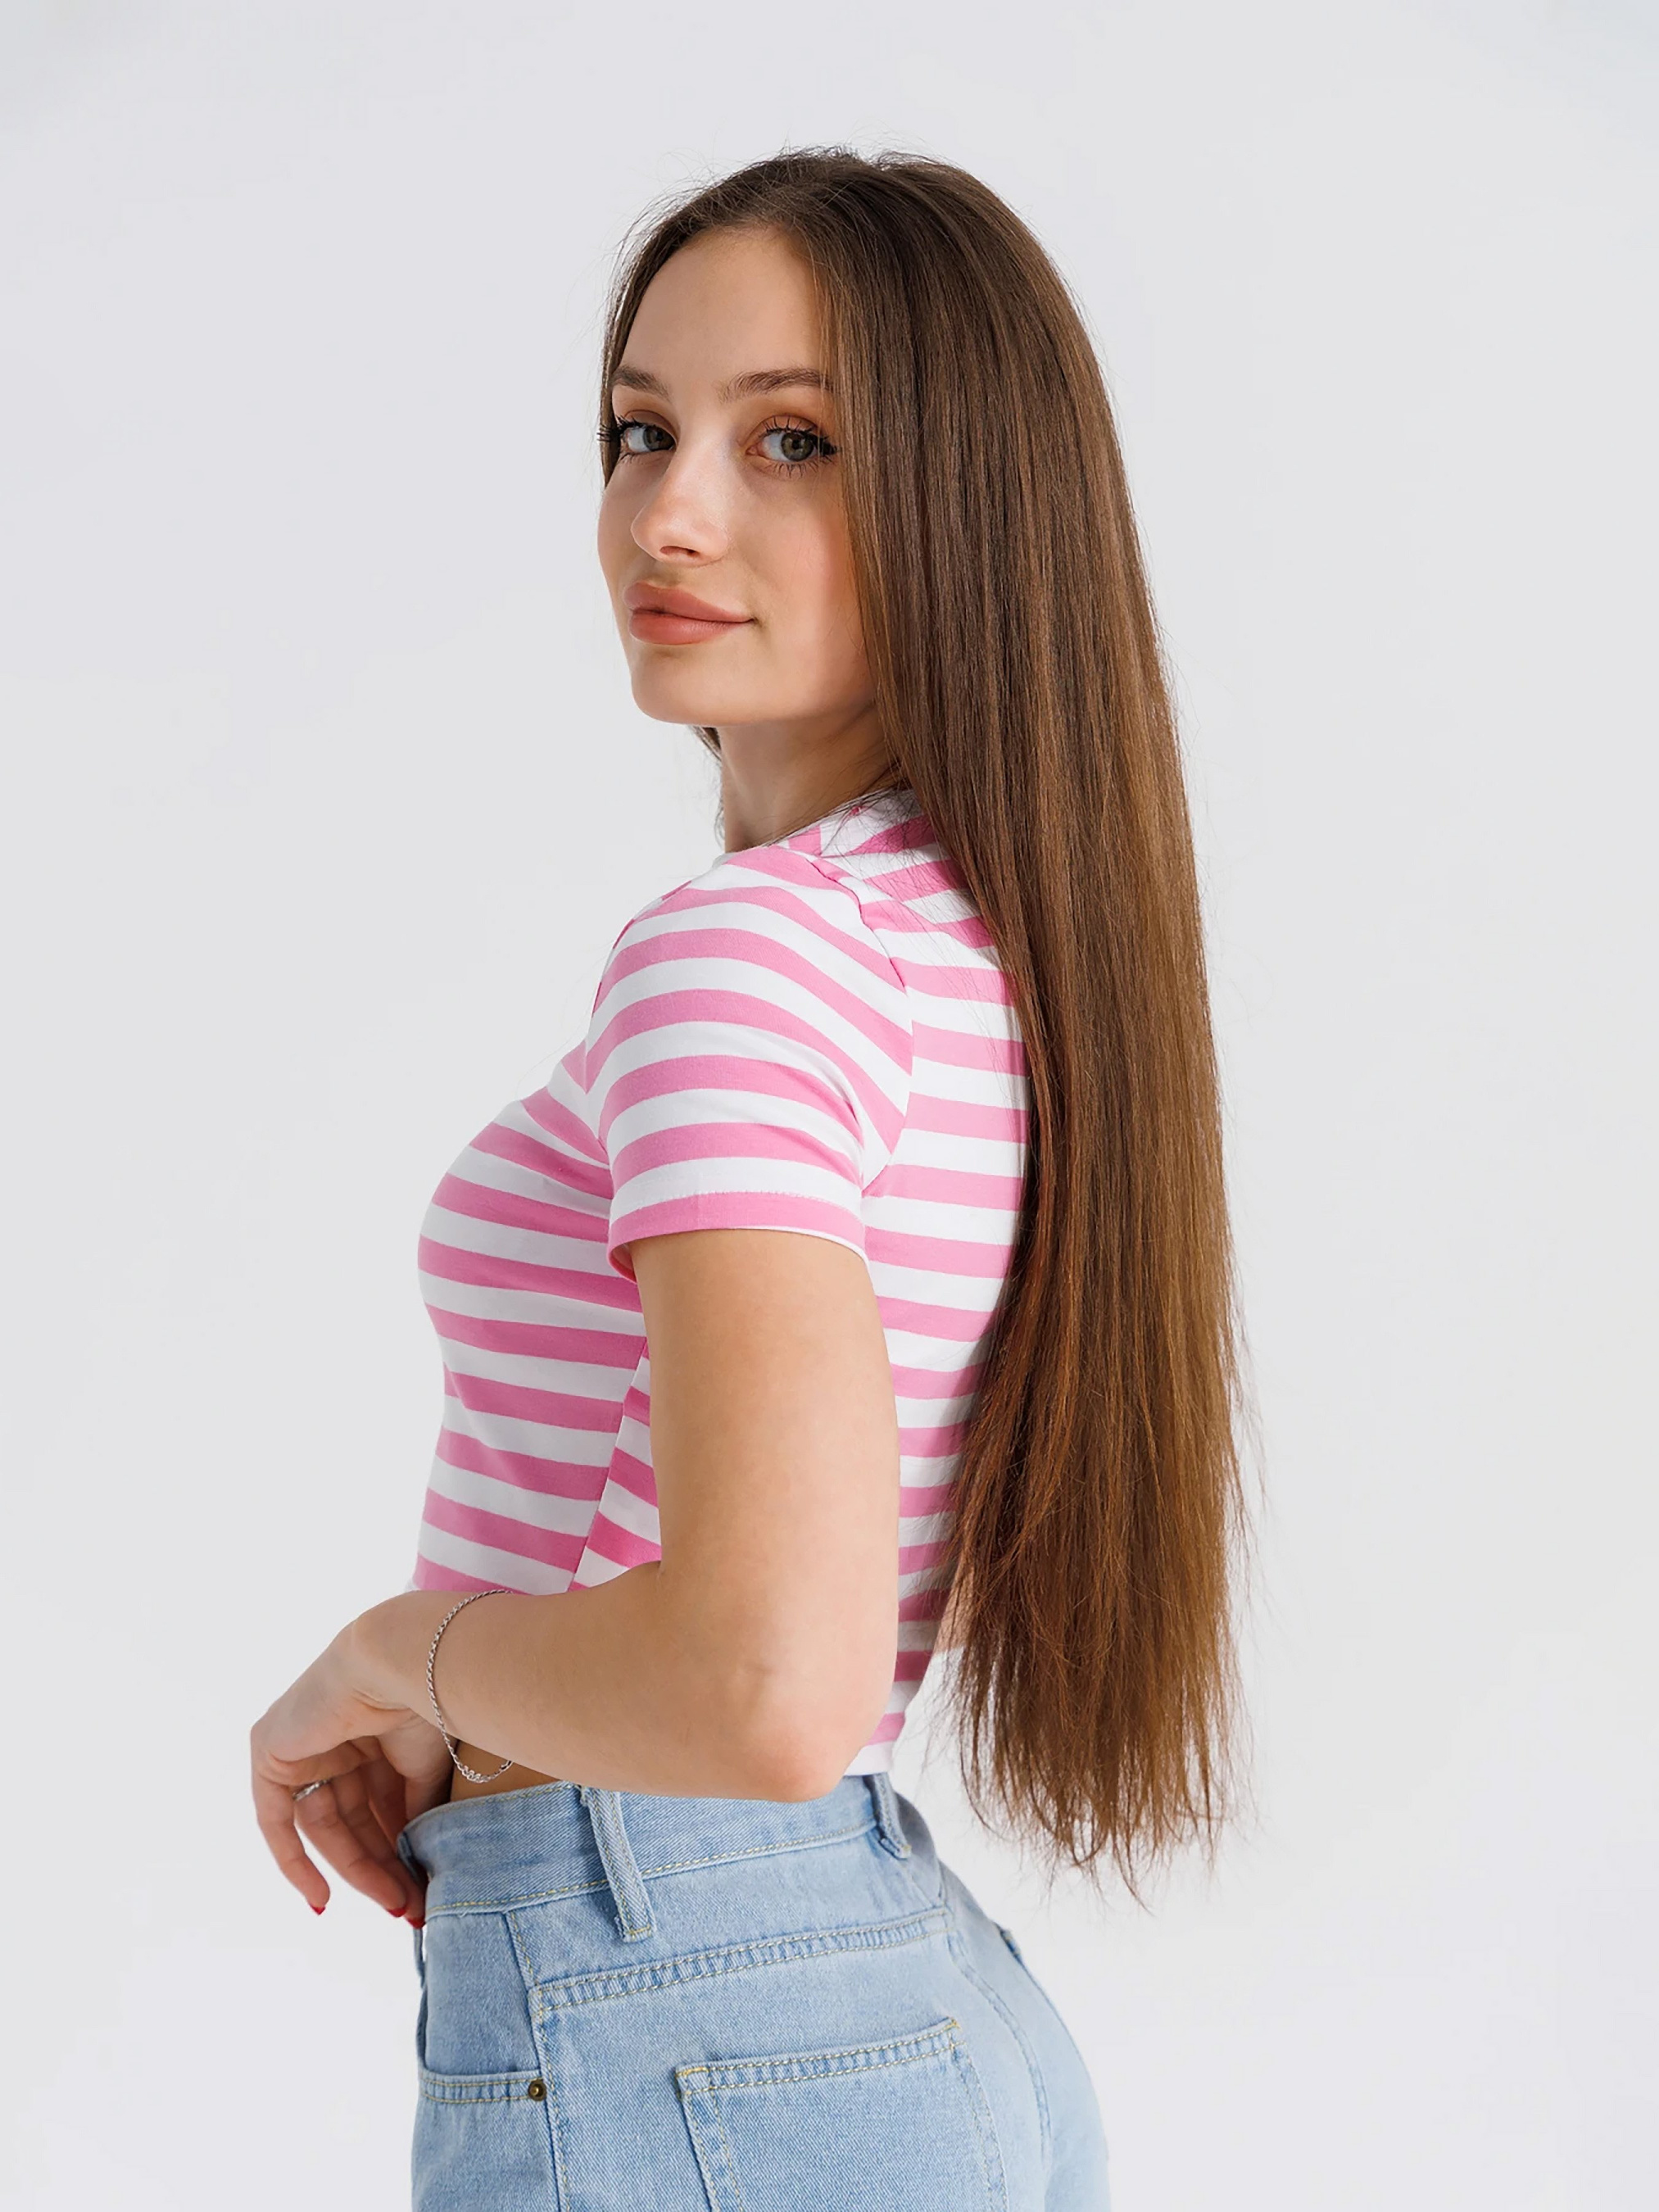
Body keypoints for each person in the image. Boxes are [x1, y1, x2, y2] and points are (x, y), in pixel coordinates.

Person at [249, 147, 1246, 2211]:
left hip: (679, 2009)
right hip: (862, 1990)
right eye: (641, 433)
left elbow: (763, 1683)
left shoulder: (751, 956)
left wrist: (385, 1651)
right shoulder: (962, 936)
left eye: (789, 440)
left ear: (967, 498)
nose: (668, 514)